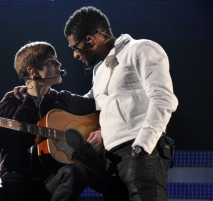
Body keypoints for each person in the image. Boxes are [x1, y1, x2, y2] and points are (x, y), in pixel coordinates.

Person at [63, 6, 179, 201]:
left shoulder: (141, 49)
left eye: (75, 48)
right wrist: (36, 90)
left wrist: (142, 147)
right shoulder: (99, 72)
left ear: (91, 40)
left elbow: (163, 98)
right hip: (110, 162)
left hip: (141, 153)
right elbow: (85, 103)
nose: (75, 55)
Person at [0, 41, 106, 201]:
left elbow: (103, 105)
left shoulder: (64, 100)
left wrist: (101, 131)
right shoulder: (9, 105)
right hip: (16, 182)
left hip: (51, 182)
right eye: (51, 61)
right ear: (33, 71)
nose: (59, 64)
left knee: (76, 171)